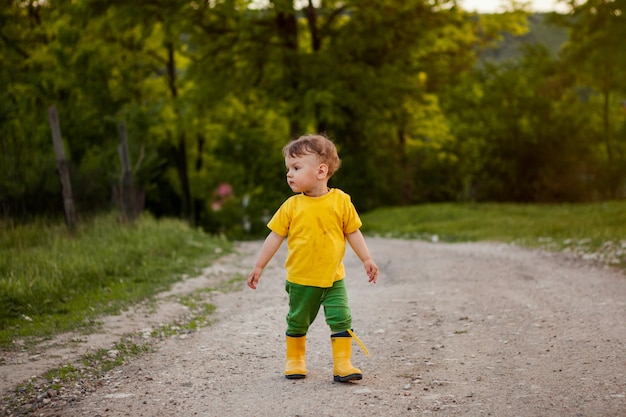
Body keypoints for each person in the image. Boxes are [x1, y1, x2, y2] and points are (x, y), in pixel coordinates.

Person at [247, 133, 379, 383]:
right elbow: (274, 238)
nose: (289, 174)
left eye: (296, 168)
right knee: (298, 321)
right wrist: (258, 266)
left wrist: (367, 259)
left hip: (333, 278)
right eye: (288, 168)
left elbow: (353, 231)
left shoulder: (341, 201)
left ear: (321, 171)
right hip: (301, 279)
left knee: (341, 317)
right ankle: (295, 359)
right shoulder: (291, 206)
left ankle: (343, 364)